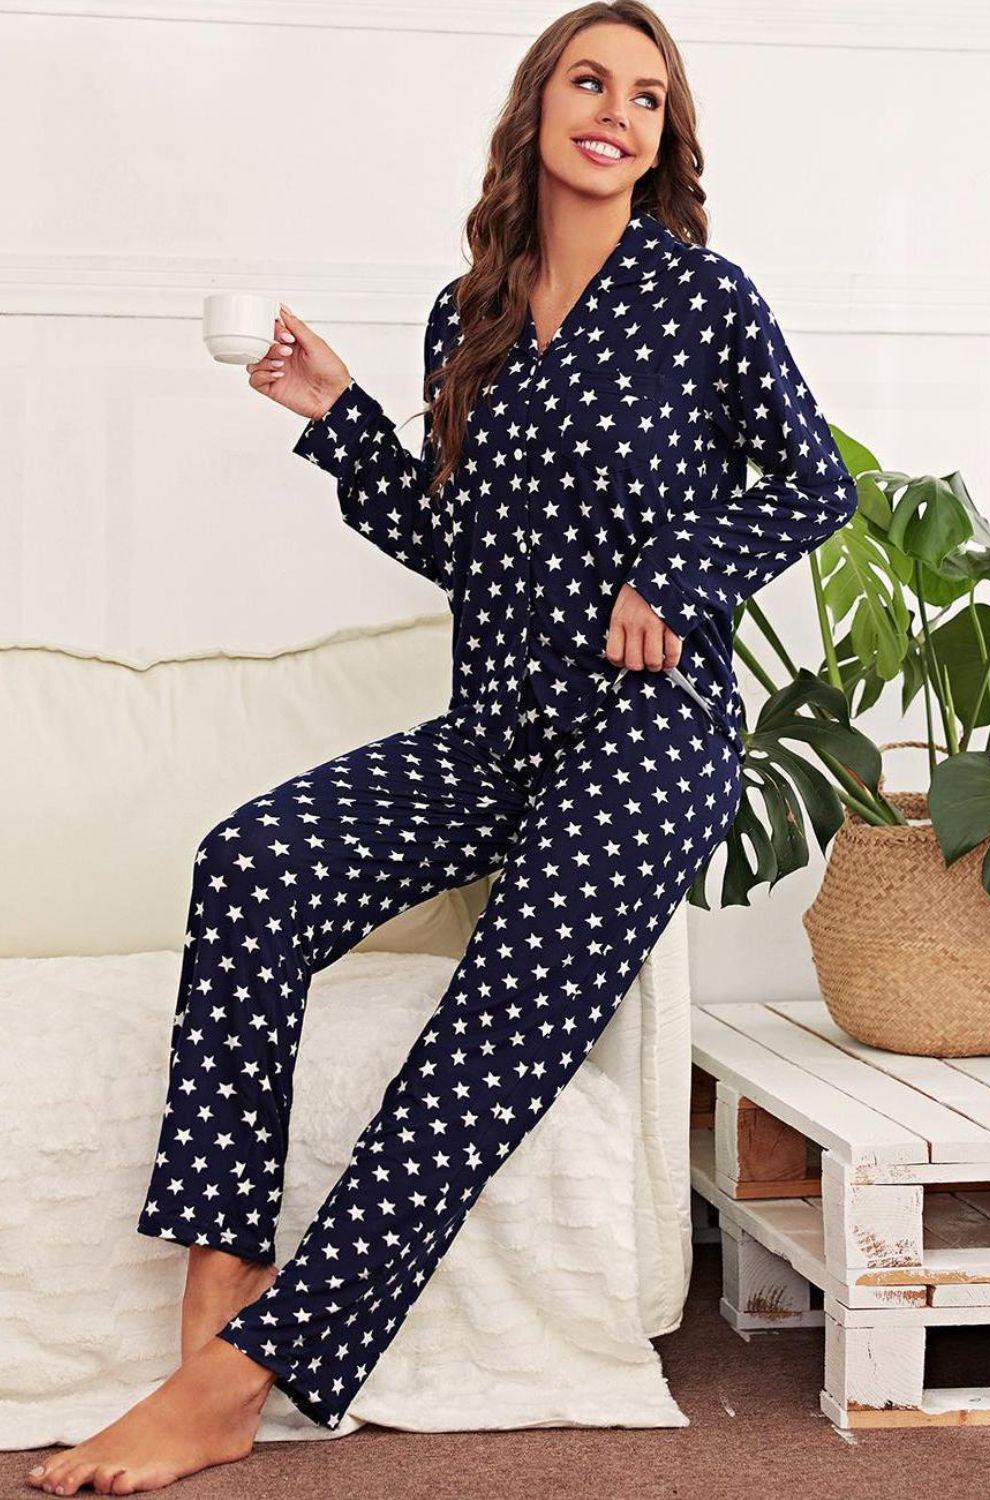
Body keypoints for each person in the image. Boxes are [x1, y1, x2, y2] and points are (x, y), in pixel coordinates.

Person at [26, 2, 856, 1493]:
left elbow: (814, 481)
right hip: (493, 732)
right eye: (590, 80)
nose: (615, 112)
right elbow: (457, 546)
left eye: (647, 96)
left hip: (646, 741)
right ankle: (217, 1300)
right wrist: (340, 414)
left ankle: (248, 1381)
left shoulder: (703, 301)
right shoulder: (464, 316)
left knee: (490, 1025)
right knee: (253, 864)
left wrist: (680, 579)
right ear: (537, 108)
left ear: (664, 139)